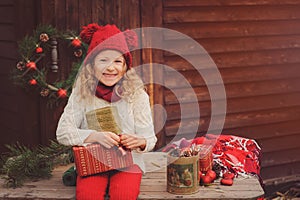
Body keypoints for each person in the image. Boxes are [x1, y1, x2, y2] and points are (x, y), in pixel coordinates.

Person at [56, 23, 157, 200]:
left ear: (126, 66)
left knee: (124, 194)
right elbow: (63, 132)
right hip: (93, 161)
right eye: (103, 60)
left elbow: (149, 138)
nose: (111, 68)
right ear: (91, 64)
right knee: (87, 195)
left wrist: (139, 141)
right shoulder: (82, 92)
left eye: (117, 61)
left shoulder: (137, 94)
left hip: (128, 161)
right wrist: (94, 136)